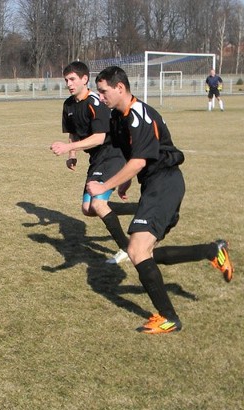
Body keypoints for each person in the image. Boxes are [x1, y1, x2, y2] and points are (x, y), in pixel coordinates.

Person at [87, 66, 233, 334]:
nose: (100, 96)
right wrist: (128, 179)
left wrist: (104, 186)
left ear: (120, 88)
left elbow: (140, 160)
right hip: (155, 184)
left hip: (165, 182)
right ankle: (212, 251)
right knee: (145, 254)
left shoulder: (138, 116)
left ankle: (169, 318)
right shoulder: (118, 117)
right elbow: (133, 156)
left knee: (137, 251)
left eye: (103, 91)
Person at [50, 61, 130, 264]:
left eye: (72, 79)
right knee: (88, 209)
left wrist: (68, 148)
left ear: (85, 79)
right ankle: (142, 208)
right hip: (97, 159)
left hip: (113, 154)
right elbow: (73, 133)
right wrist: (72, 154)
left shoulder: (96, 102)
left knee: (97, 202)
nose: (68, 83)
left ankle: (127, 248)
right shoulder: (68, 105)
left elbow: (100, 137)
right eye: (66, 80)